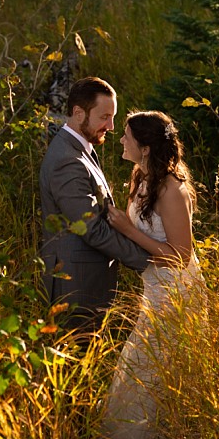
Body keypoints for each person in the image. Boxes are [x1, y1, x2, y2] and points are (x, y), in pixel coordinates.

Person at [94, 110, 206, 439]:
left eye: (126, 136)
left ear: (143, 145)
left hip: (175, 292)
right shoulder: (141, 176)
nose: (120, 140)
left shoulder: (172, 188)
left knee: (156, 372)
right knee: (143, 372)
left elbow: (180, 255)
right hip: (153, 288)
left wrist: (127, 229)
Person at [38, 77, 151, 335]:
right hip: (76, 286)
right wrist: (147, 262)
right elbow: (91, 228)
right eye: (104, 117)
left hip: (87, 281)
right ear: (78, 113)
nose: (111, 126)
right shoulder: (66, 160)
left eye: (113, 117)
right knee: (76, 366)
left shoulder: (80, 149)